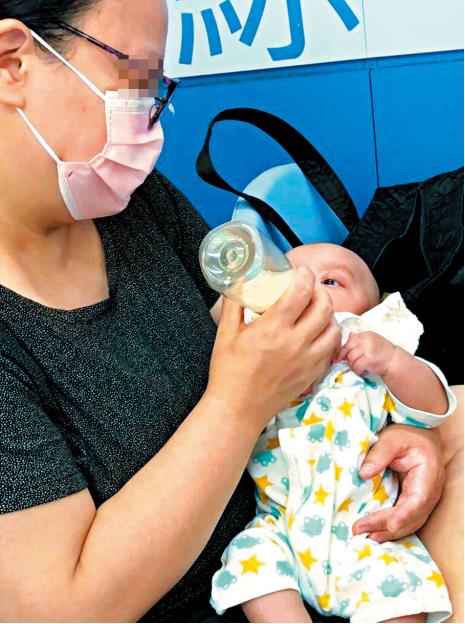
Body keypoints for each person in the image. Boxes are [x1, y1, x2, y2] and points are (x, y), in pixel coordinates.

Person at [0, 1, 461, 622]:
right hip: (239, 582)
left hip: (328, 512)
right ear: (13, 62)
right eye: (134, 79)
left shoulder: (130, 206)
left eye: (157, 89)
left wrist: (401, 437)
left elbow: (273, 337)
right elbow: (62, 610)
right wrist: (236, 406)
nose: (151, 119)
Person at [211, 244, 455, 623]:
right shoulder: (264, 369)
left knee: (401, 590)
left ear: (369, 313)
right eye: (289, 278)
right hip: (281, 526)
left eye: (329, 281)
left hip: (364, 529)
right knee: (249, 561)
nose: (305, 287)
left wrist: (393, 361)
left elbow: (434, 409)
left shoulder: (370, 367)